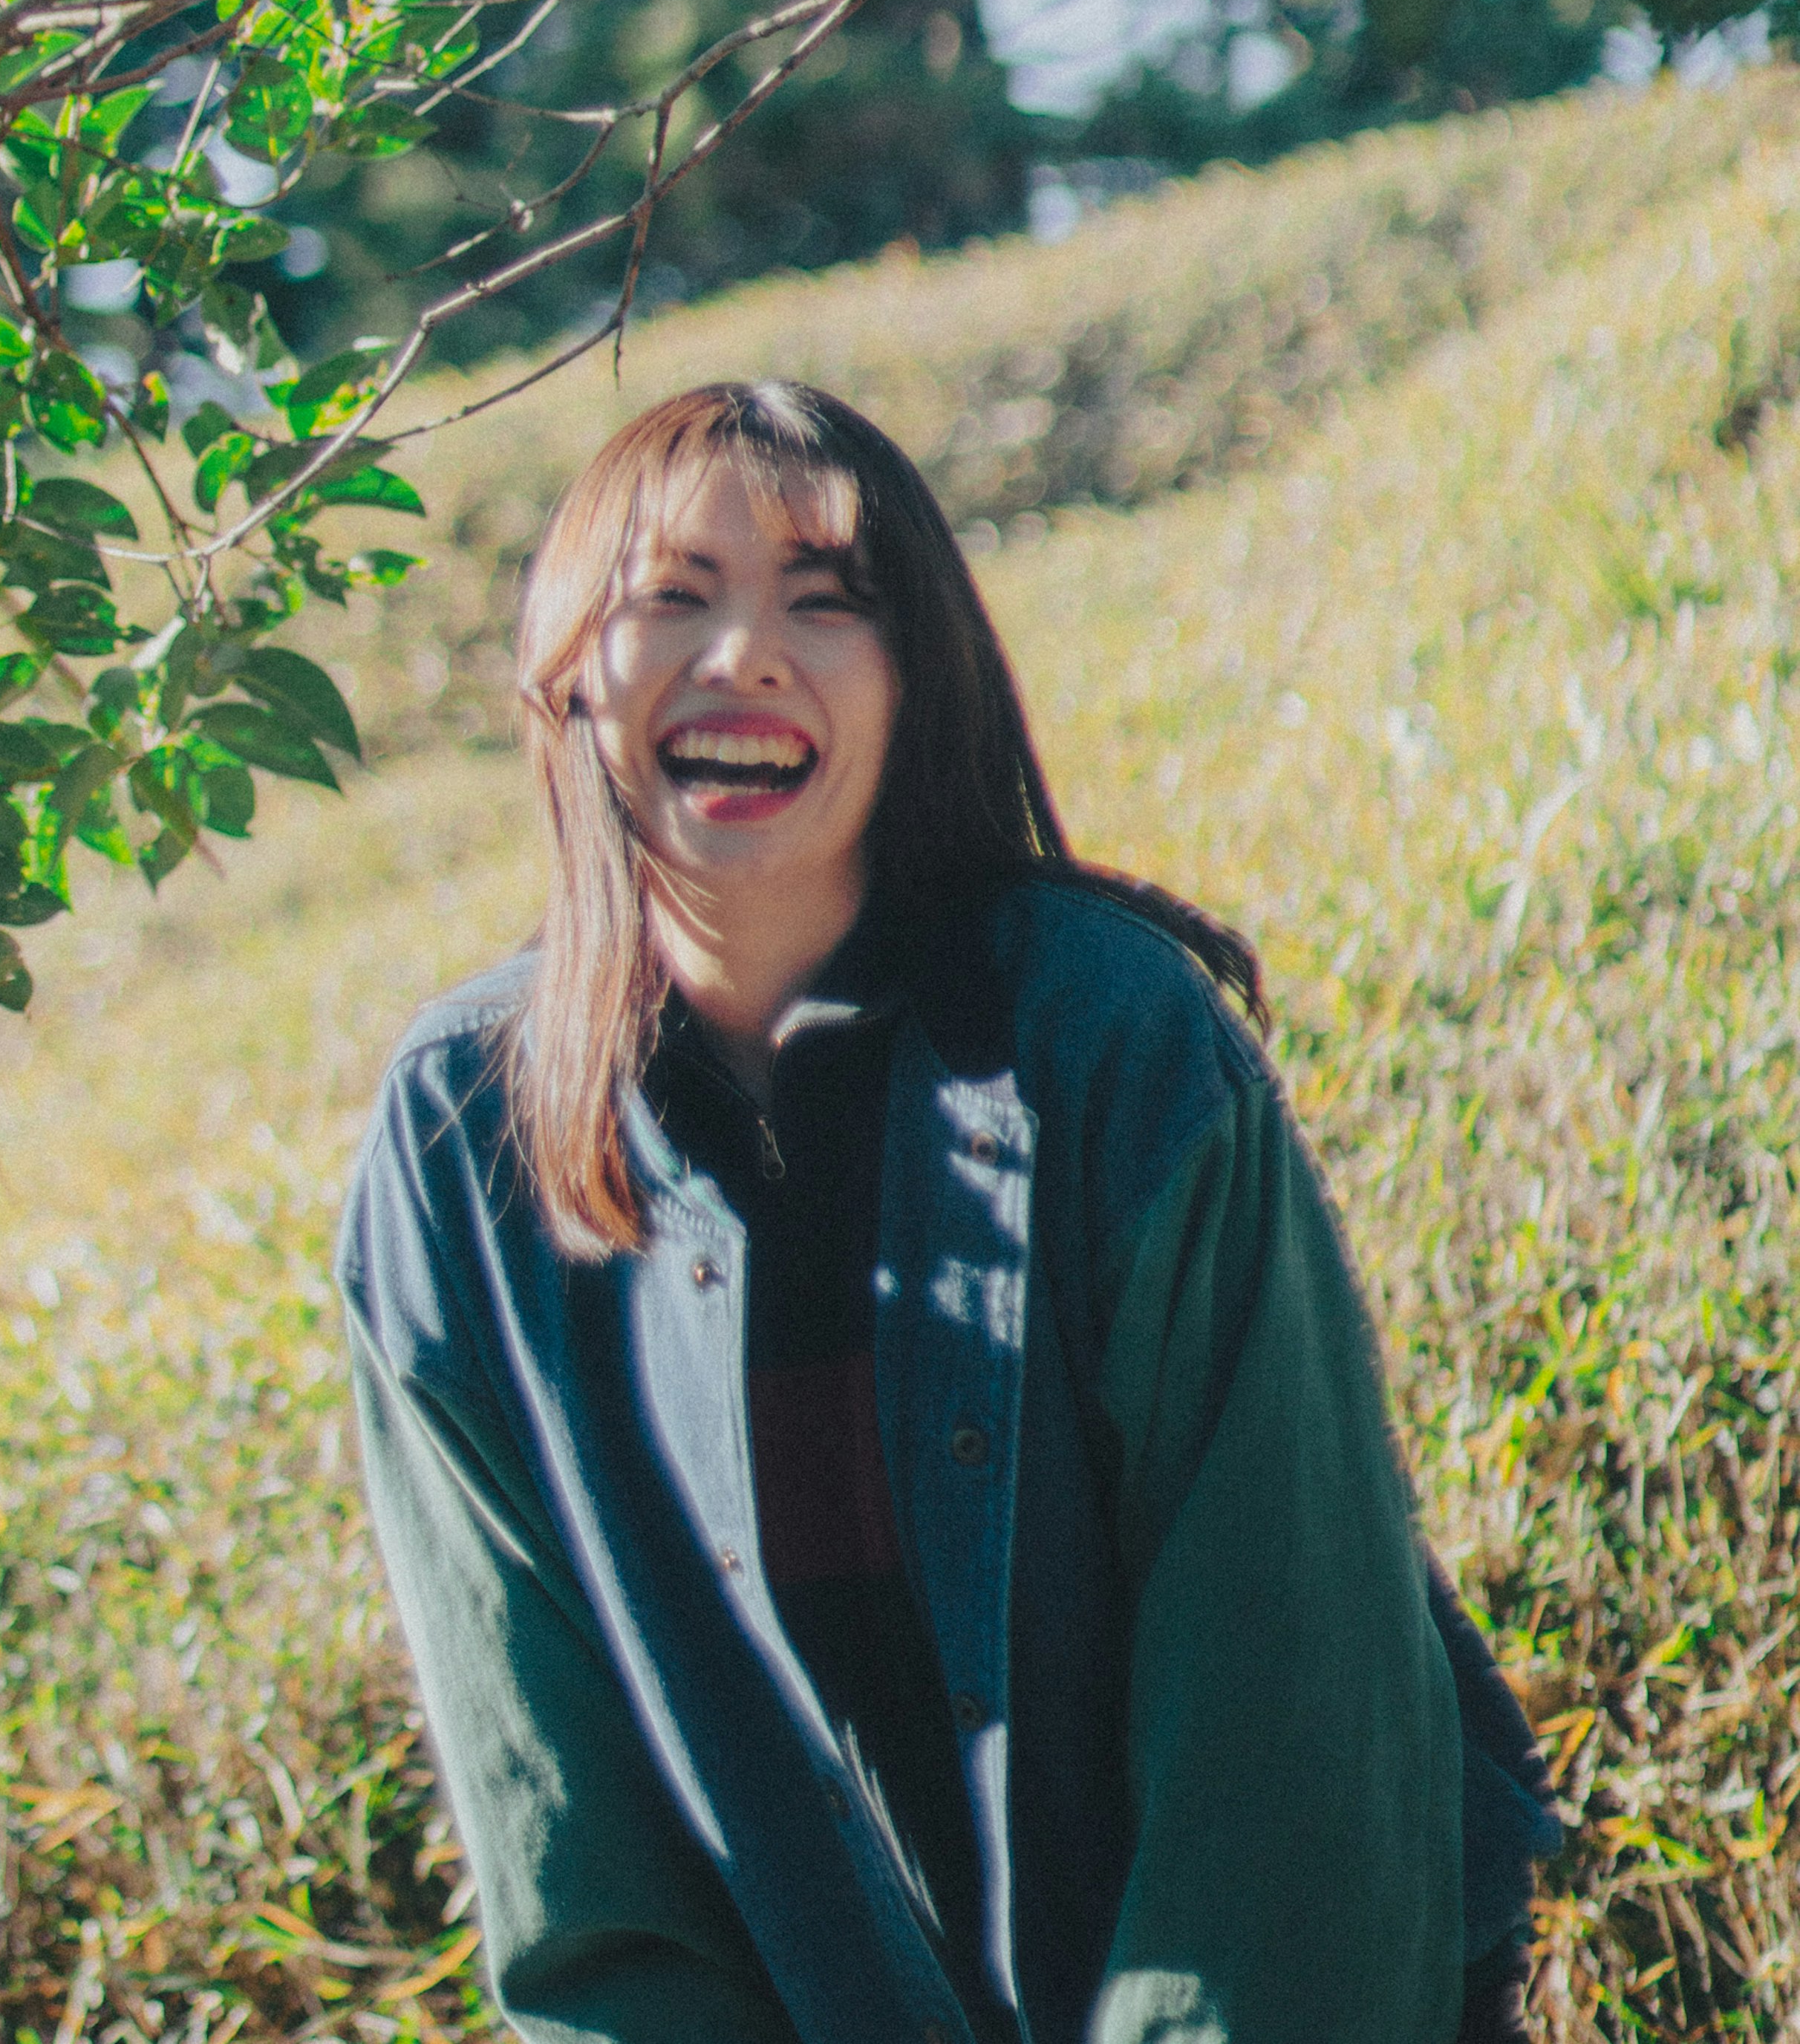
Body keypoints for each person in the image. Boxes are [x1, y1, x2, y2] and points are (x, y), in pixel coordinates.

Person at [337, 380, 1559, 2044]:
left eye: (826, 601)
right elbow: (572, 1850)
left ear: (922, 683)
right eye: (671, 599)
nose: (745, 655)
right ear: (566, 678)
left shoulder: (1113, 1046)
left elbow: (1286, 1734)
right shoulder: (456, 1145)